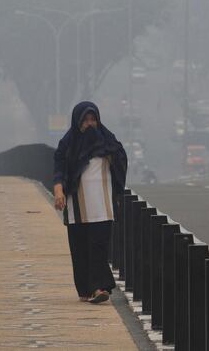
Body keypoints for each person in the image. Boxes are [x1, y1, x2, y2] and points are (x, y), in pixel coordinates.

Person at [53, 101, 127, 304]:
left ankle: (99, 288)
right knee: (80, 249)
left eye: (93, 119)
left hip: (103, 206)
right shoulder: (68, 144)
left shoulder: (107, 141)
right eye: (85, 120)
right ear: (77, 121)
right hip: (77, 207)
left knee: (99, 247)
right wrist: (58, 189)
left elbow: (121, 161)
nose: (89, 124)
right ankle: (86, 289)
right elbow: (59, 166)